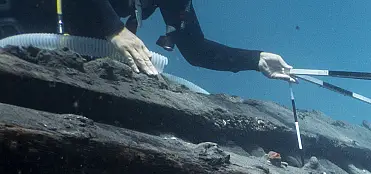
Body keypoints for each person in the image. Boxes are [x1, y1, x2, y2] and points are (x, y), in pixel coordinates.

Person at [3, 1, 292, 79]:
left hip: (65, 61)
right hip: (18, 31)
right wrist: (114, 29)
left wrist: (255, 59)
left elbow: (197, 51)